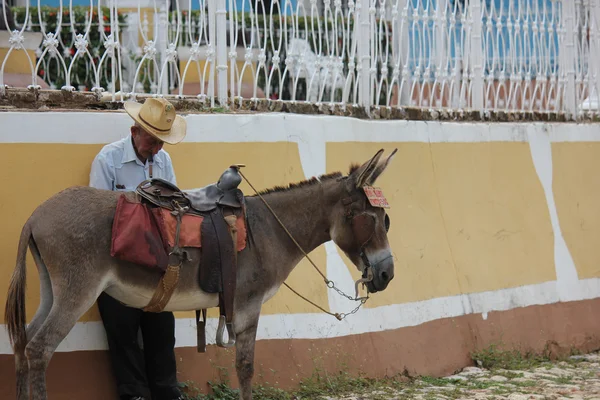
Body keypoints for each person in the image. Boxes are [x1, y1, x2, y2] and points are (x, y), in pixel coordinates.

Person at [89, 97, 187, 400]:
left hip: (156, 263)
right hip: (117, 265)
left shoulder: (164, 161)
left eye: (161, 143)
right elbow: (99, 217)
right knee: (121, 330)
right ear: (135, 130)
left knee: (161, 330)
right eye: (152, 141)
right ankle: (133, 394)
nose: (156, 149)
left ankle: (167, 391)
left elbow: (174, 209)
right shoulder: (108, 160)